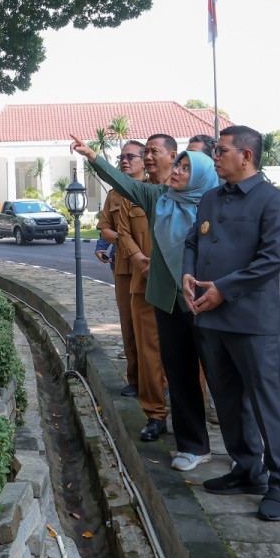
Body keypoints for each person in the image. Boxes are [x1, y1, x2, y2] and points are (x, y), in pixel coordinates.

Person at [70, 133, 219, 471]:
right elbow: (123, 184)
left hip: (206, 298)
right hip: (167, 297)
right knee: (175, 369)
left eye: (185, 165)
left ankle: (245, 453)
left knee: (215, 369)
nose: (178, 171)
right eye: (178, 164)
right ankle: (190, 442)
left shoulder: (216, 203)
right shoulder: (159, 197)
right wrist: (93, 156)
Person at [182, 125, 280, 520]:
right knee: (228, 401)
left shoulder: (274, 202)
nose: (215, 157)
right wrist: (187, 273)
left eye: (221, 151)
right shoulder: (211, 198)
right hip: (211, 319)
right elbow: (193, 242)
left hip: (252, 321)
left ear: (246, 156)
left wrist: (223, 290)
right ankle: (248, 469)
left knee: (268, 404)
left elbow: (271, 261)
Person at [115, 136, 173, 426]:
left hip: (180, 283)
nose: (148, 157)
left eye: (154, 152)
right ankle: (154, 413)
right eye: (146, 152)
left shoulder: (187, 190)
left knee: (190, 352)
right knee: (147, 349)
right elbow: (122, 232)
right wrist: (140, 260)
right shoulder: (134, 193)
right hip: (144, 280)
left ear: (173, 156)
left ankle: (196, 413)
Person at [98, 140, 146, 396]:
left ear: (143, 160)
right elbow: (105, 228)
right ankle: (135, 379)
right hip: (124, 267)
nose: (124, 161)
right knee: (128, 326)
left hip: (149, 266)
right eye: (121, 157)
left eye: (131, 157)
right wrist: (122, 240)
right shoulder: (114, 195)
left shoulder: (153, 189)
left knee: (153, 328)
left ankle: (162, 383)